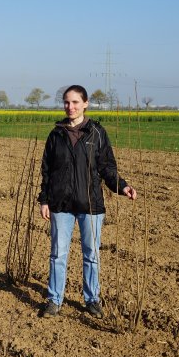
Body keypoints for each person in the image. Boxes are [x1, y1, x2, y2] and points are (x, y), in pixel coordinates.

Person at [38, 84, 137, 318]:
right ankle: (54, 300)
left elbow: (107, 167)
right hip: (60, 204)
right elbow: (46, 170)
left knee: (91, 254)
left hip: (91, 205)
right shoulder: (56, 134)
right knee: (58, 254)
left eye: (74, 102)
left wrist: (122, 186)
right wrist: (44, 200)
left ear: (85, 103)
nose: (69, 107)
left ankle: (92, 299)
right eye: (66, 102)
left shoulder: (97, 133)